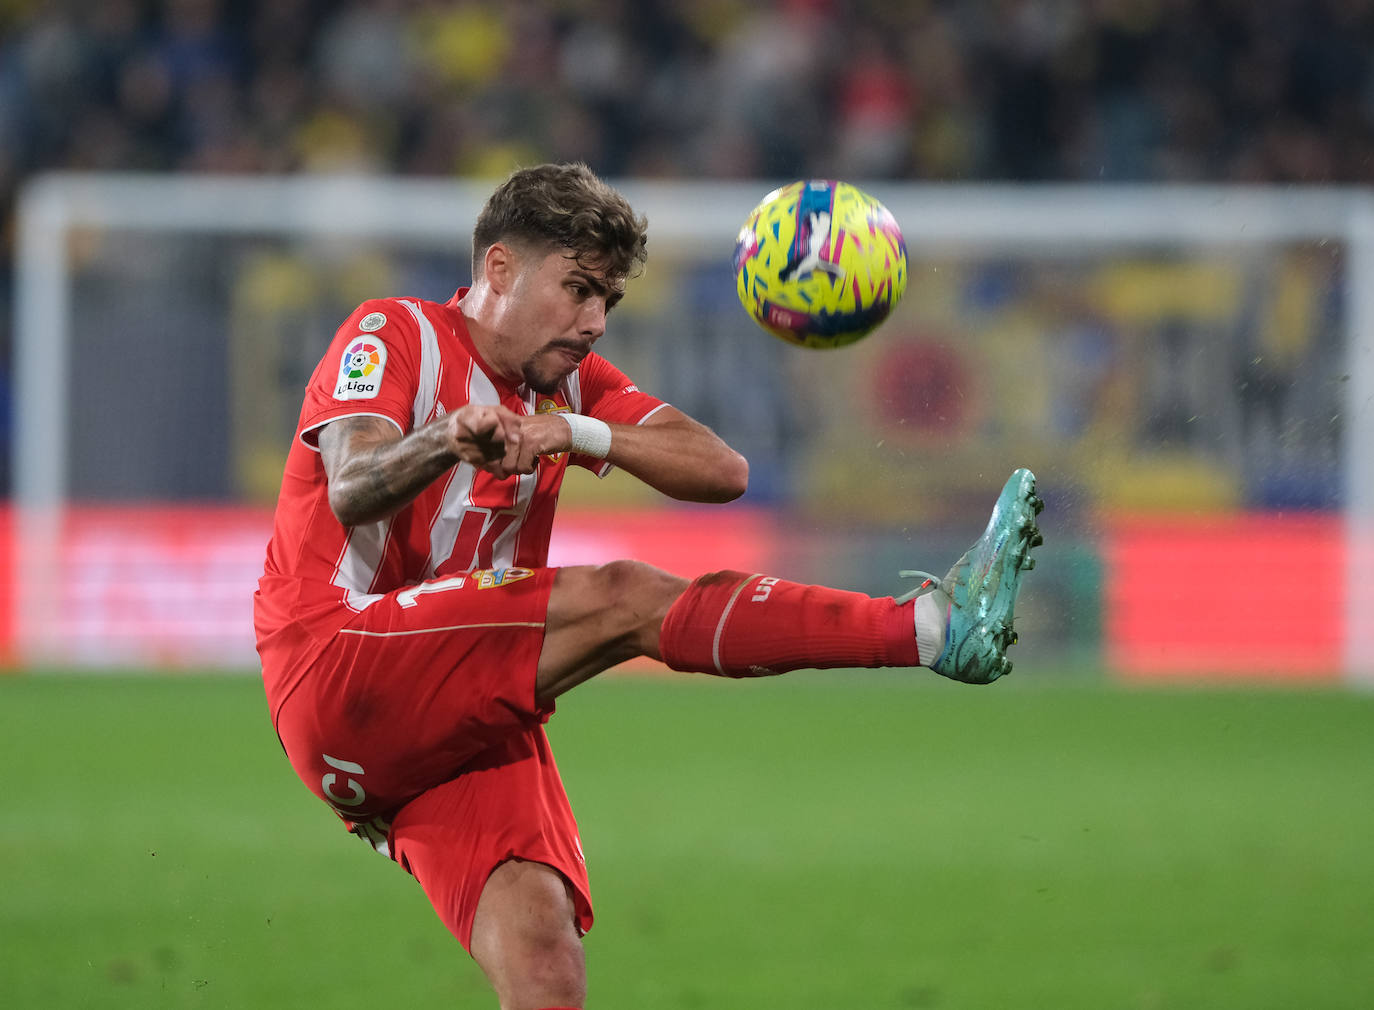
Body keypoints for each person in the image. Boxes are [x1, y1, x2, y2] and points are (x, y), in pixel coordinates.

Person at [254, 161, 1043, 1010]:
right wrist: (448, 439)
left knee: (545, 962)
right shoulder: (394, 331)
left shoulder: (567, 386)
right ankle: (930, 627)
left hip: (441, 719)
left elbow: (722, 469)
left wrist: (577, 429)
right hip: (336, 659)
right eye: (579, 289)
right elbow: (352, 481)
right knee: (624, 596)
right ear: (499, 269)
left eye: (610, 303)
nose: (594, 321)